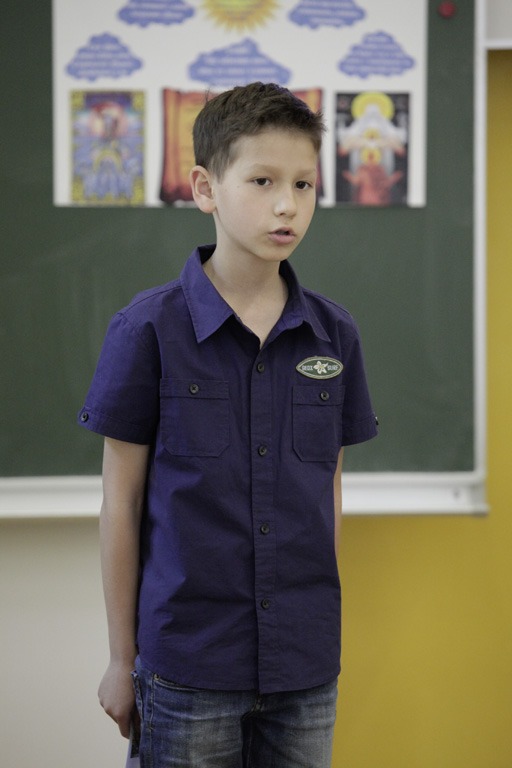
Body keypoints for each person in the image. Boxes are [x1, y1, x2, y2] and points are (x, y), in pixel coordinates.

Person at [78, 82, 378, 767]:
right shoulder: (147, 329)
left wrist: (315, 625)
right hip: (187, 666)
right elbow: (120, 503)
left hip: (305, 668)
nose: (287, 204)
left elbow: (328, 489)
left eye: (304, 184)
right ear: (205, 189)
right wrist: (121, 659)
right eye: (263, 181)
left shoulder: (335, 335)